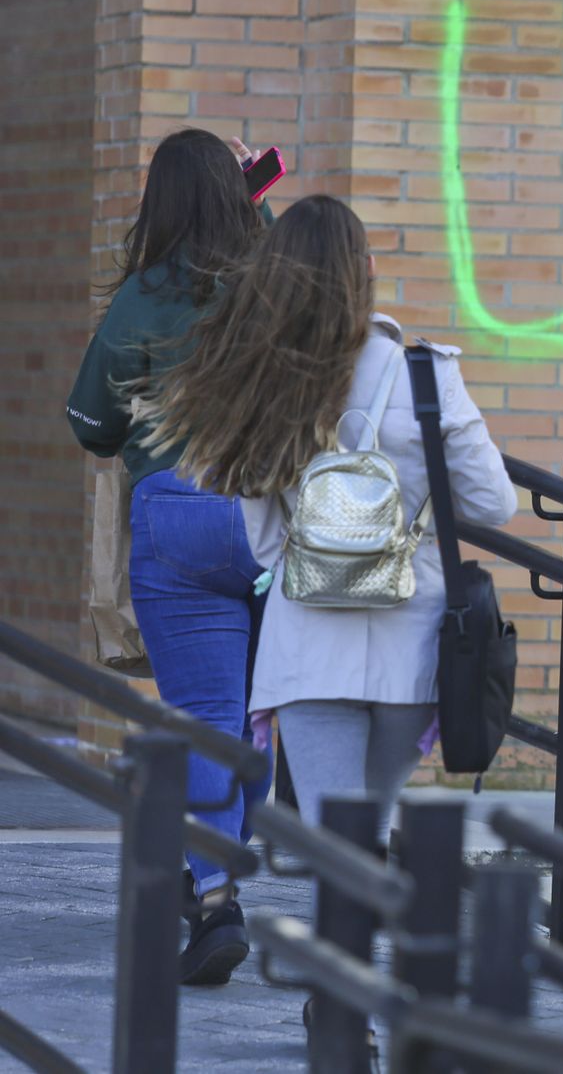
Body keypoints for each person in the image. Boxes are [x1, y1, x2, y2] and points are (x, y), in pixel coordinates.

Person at [135, 194, 518, 851]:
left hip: (309, 648)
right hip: (413, 647)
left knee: (334, 845)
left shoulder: (269, 383)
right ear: (365, 268)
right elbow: (494, 505)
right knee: (372, 822)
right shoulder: (428, 376)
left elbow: (259, 545)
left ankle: (348, 945)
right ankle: (372, 947)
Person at [66, 128, 274, 986]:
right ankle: (226, 860)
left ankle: (216, 895)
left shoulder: (144, 298)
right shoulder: (278, 287)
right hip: (271, 517)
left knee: (203, 720)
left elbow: (90, 426)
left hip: (178, 516)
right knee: (261, 720)